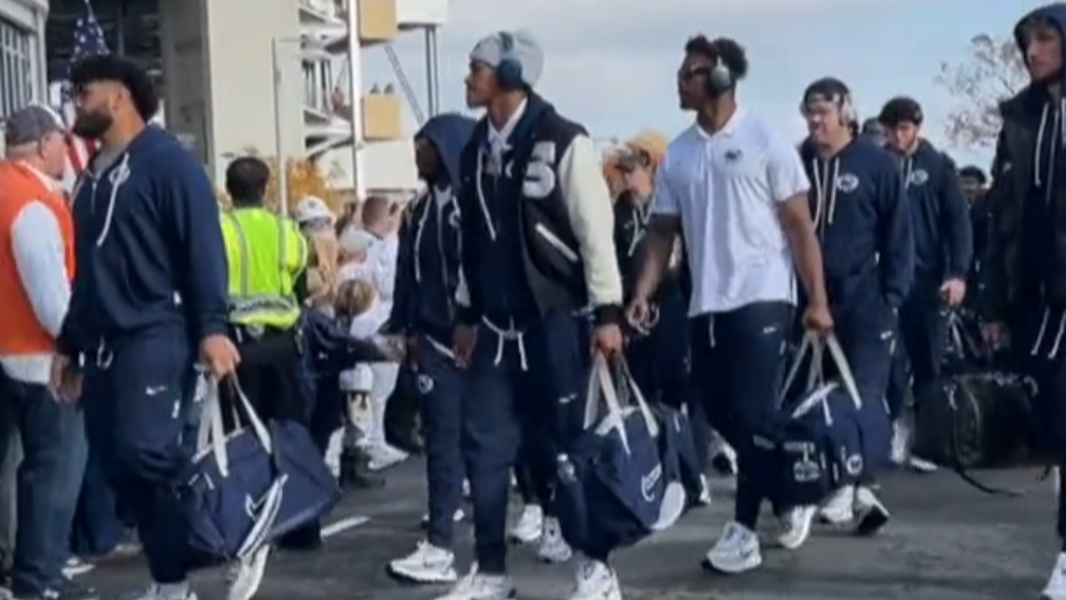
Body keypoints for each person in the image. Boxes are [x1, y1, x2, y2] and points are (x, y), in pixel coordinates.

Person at [630, 35, 830, 575]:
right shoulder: (679, 155)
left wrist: (817, 301)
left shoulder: (766, 141)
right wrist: (644, 291)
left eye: (689, 73)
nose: (679, 82)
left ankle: (744, 531)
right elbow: (661, 232)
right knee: (720, 412)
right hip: (706, 303)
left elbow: (800, 227)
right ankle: (791, 486)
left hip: (763, 297)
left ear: (719, 79)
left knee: (754, 412)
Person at [49, 55, 239, 600]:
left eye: (85, 90)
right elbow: (89, 271)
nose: (76, 100)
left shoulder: (168, 162)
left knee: (146, 453)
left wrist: (213, 325)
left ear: (120, 95)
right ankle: (169, 579)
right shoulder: (91, 178)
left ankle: (214, 544)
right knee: (117, 465)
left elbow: (202, 246)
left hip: (155, 334)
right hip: (103, 344)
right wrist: (69, 343)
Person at [443, 29, 624, 600]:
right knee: (485, 448)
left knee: (569, 445)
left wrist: (608, 312)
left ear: (510, 75)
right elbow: (471, 241)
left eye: (477, 68)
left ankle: (595, 564)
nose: (468, 77)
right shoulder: (474, 149)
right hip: (495, 329)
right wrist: (465, 313)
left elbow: (595, 231)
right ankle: (491, 571)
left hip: (556, 321)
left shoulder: (564, 138)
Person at [786, 78, 913, 546]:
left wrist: (892, 296)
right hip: (809, 298)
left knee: (863, 395)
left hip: (866, 299)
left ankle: (860, 485)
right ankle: (828, 486)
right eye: (809, 112)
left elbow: (899, 234)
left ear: (845, 111)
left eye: (824, 111)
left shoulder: (876, 164)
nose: (816, 121)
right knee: (813, 396)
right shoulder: (797, 162)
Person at [982, 6, 1066, 598]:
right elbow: (1002, 218)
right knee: (1050, 425)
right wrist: (994, 305)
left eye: (1045, 38)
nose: (1032, 51)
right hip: (1035, 299)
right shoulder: (1020, 118)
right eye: (1026, 41)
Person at [0, 105, 88, 600]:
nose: (66, 150)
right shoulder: (32, 204)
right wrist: (74, 346)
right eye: (61, 140)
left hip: (5, 354)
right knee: (54, 474)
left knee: (11, 475)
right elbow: (51, 295)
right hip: (40, 361)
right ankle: (39, 581)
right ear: (42, 144)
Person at [385, 113, 475, 584]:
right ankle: (440, 544)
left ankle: (543, 511)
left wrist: (473, 323)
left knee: (494, 439)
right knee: (441, 442)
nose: (417, 156)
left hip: (475, 340)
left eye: (425, 148)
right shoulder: (418, 210)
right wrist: (405, 328)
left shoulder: (469, 204)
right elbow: (408, 273)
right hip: (434, 342)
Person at [218, 155, 310, 595]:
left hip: (239, 347)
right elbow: (300, 286)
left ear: (228, 189)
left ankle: (248, 526)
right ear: (266, 188)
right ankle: (302, 523)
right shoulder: (286, 230)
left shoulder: (221, 229)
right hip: (283, 345)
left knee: (243, 441)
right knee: (290, 432)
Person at [878, 96, 973, 471]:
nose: (897, 137)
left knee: (928, 362)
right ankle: (895, 428)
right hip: (889, 280)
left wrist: (957, 273)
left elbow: (958, 223)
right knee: (890, 360)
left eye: (904, 129)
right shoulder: (880, 164)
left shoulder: (938, 167)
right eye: (891, 130)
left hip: (929, 280)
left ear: (917, 128)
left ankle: (928, 440)